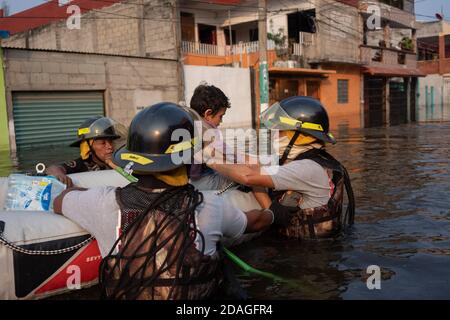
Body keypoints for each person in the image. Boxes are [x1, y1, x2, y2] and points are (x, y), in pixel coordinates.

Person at [53, 102, 274, 300]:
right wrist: (275, 213)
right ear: (186, 159)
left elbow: (59, 201)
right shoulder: (209, 206)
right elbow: (255, 222)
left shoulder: (101, 202)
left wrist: (79, 191)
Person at [206, 96, 355, 239]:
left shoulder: (306, 168)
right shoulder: (312, 158)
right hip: (297, 240)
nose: (275, 136)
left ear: (300, 136)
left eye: (281, 131)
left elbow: (248, 176)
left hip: (305, 254)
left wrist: (209, 160)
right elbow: (253, 162)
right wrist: (213, 149)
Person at [45, 116, 122, 187]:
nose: (110, 147)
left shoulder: (120, 161)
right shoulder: (82, 164)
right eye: (103, 143)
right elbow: (53, 168)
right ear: (88, 147)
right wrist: (58, 174)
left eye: (111, 142)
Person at [187, 84, 236, 191]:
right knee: (252, 177)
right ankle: (269, 207)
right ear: (208, 113)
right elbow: (227, 157)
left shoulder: (190, 123)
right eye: (221, 116)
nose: (221, 121)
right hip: (202, 182)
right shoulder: (208, 132)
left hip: (190, 180)